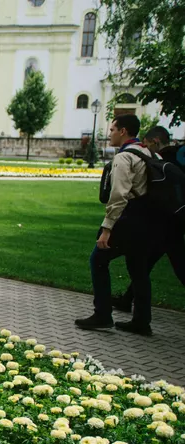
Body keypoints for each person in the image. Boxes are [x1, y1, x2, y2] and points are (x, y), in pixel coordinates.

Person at [76, 114, 157, 335]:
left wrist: (107, 228)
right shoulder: (147, 152)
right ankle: (142, 321)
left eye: (112, 129)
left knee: (98, 260)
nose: (109, 133)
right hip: (146, 220)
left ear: (123, 131)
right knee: (139, 270)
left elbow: (119, 196)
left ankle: (102, 314)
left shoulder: (124, 158)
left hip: (128, 219)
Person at [112, 125, 185, 313]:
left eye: (146, 143)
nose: (143, 147)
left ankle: (136, 312)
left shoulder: (164, 159)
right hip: (170, 220)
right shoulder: (173, 157)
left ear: (155, 141)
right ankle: (129, 301)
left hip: (164, 221)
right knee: (143, 265)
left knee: (153, 265)